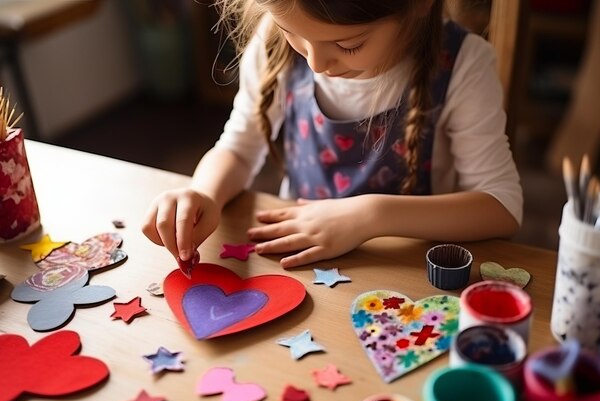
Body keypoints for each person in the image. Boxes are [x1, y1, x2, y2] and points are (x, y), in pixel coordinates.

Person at [142, 0, 523, 269]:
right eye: (293, 33)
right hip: (297, 261)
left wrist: (371, 215)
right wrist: (204, 191)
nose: (316, 63)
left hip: (402, 273)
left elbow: (501, 207)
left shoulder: (463, 65)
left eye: (348, 44)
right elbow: (240, 148)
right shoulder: (273, 39)